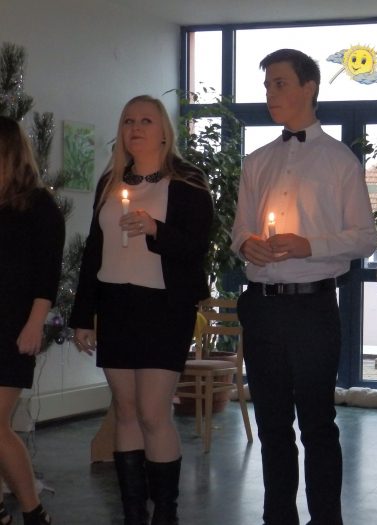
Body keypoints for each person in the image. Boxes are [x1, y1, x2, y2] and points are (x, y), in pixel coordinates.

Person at [231, 48, 377, 525]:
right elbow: (239, 230)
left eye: (279, 83)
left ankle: (326, 519)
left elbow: (365, 237)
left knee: (317, 424)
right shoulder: (257, 162)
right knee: (272, 426)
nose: (270, 93)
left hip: (313, 309)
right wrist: (247, 245)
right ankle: (278, 517)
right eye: (267, 85)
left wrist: (307, 245)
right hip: (262, 308)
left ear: (309, 87)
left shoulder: (340, 161)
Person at [69, 95, 213, 525]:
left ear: (164, 130)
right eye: (129, 120)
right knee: (126, 411)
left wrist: (155, 229)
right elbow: (93, 253)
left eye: (146, 120)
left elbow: (196, 247)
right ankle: (133, 514)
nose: (135, 127)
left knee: (153, 413)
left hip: (164, 307)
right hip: (116, 305)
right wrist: (83, 316)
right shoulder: (110, 182)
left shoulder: (188, 182)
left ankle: (165, 514)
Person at [0, 115, 65, 525]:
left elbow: (47, 274)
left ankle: (33, 511)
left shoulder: (39, 205)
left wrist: (34, 324)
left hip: (12, 327)